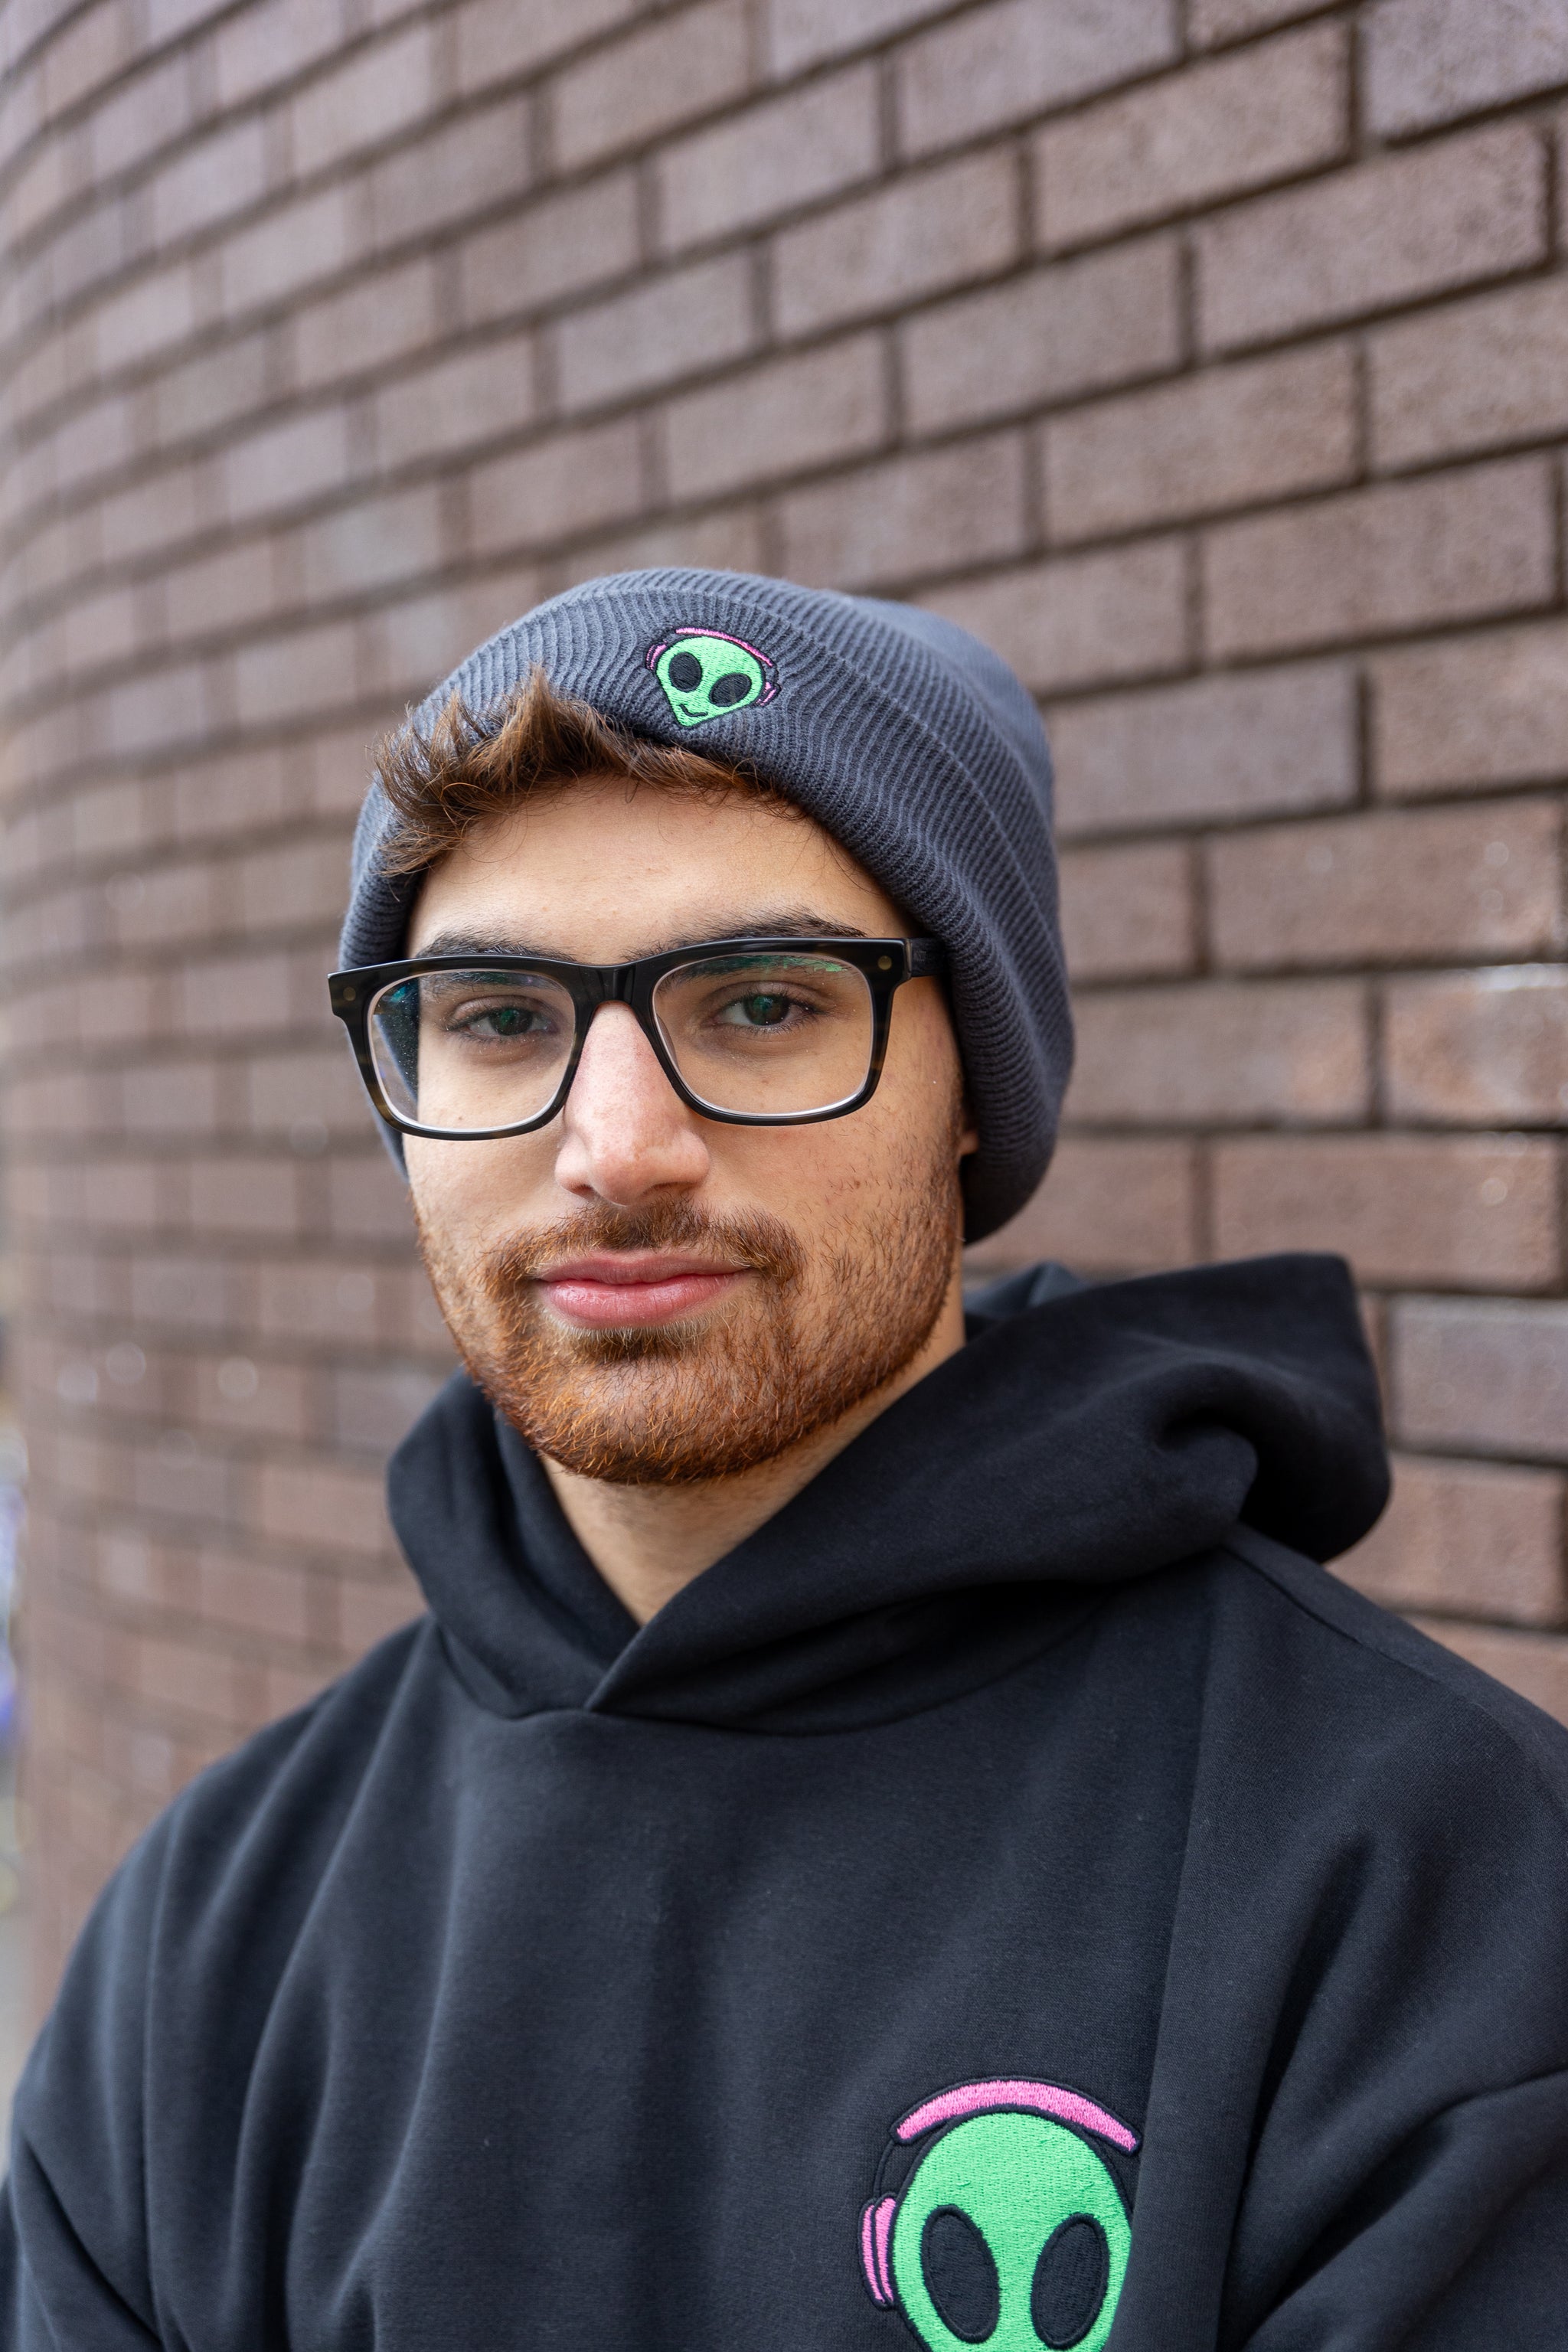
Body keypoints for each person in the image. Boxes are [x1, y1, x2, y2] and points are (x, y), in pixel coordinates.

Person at [4, 569, 1566, 2350]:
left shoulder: (1424, 1887)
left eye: (759, 1003)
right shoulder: (208, 1942)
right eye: (501, 1017)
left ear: (970, 1085)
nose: (616, 1148)